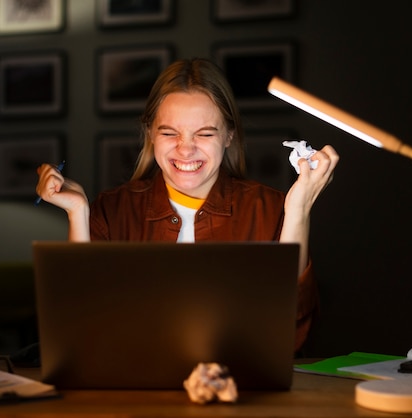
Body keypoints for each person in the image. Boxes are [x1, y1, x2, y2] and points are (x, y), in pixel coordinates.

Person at [36, 58, 339, 351]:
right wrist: (78, 213)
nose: (186, 149)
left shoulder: (270, 208)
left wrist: (298, 210)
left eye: (204, 133)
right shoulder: (110, 211)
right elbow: (80, 329)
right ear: (150, 134)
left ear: (229, 135)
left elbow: (290, 335)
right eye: (169, 133)